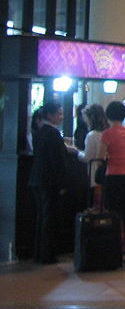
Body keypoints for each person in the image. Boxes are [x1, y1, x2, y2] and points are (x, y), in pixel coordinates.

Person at [28, 102, 67, 264]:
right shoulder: (52, 134)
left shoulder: (39, 132)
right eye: (58, 114)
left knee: (41, 217)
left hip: (37, 179)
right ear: (50, 115)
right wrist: (62, 183)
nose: (61, 117)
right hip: (49, 181)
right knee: (49, 218)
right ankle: (47, 254)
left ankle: (38, 252)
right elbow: (57, 161)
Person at [102, 100, 125, 264]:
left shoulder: (107, 134)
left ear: (108, 115)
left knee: (113, 215)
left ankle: (114, 251)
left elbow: (100, 156)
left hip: (114, 177)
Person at [77, 103, 108, 202]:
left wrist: (76, 151)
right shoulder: (107, 132)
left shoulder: (92, 135)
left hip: (94, 174)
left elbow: (88, 158)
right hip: (107, 173)